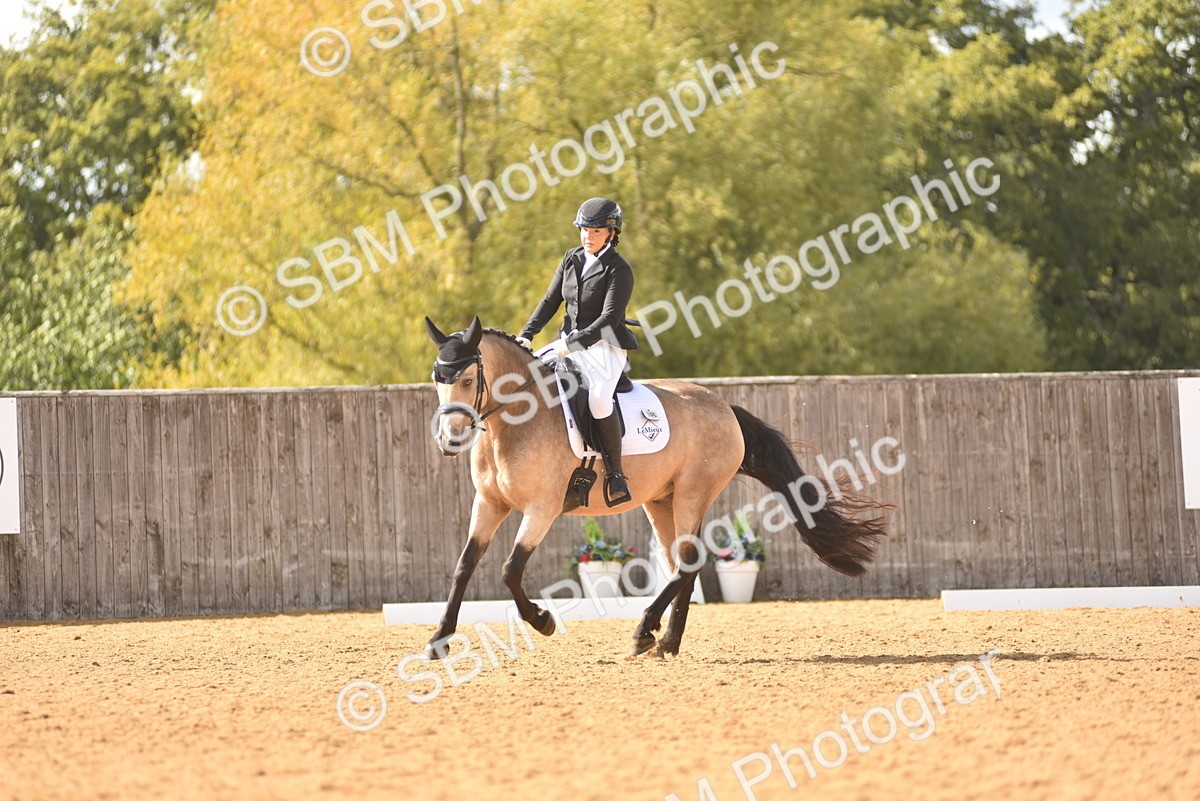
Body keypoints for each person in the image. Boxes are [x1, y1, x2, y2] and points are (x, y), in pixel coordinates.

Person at [516, 197, 639, 506]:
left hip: (604, 347)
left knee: (598, 399)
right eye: (584, 230)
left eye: (596, 231)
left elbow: (608, 319)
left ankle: (615, 473)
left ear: (611, 233)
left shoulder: (619, 270)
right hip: (566, 344)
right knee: (531, 380)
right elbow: (550, 301)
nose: (588, 236)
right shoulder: (570, 259)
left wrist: (570, 345)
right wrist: (526, 335)